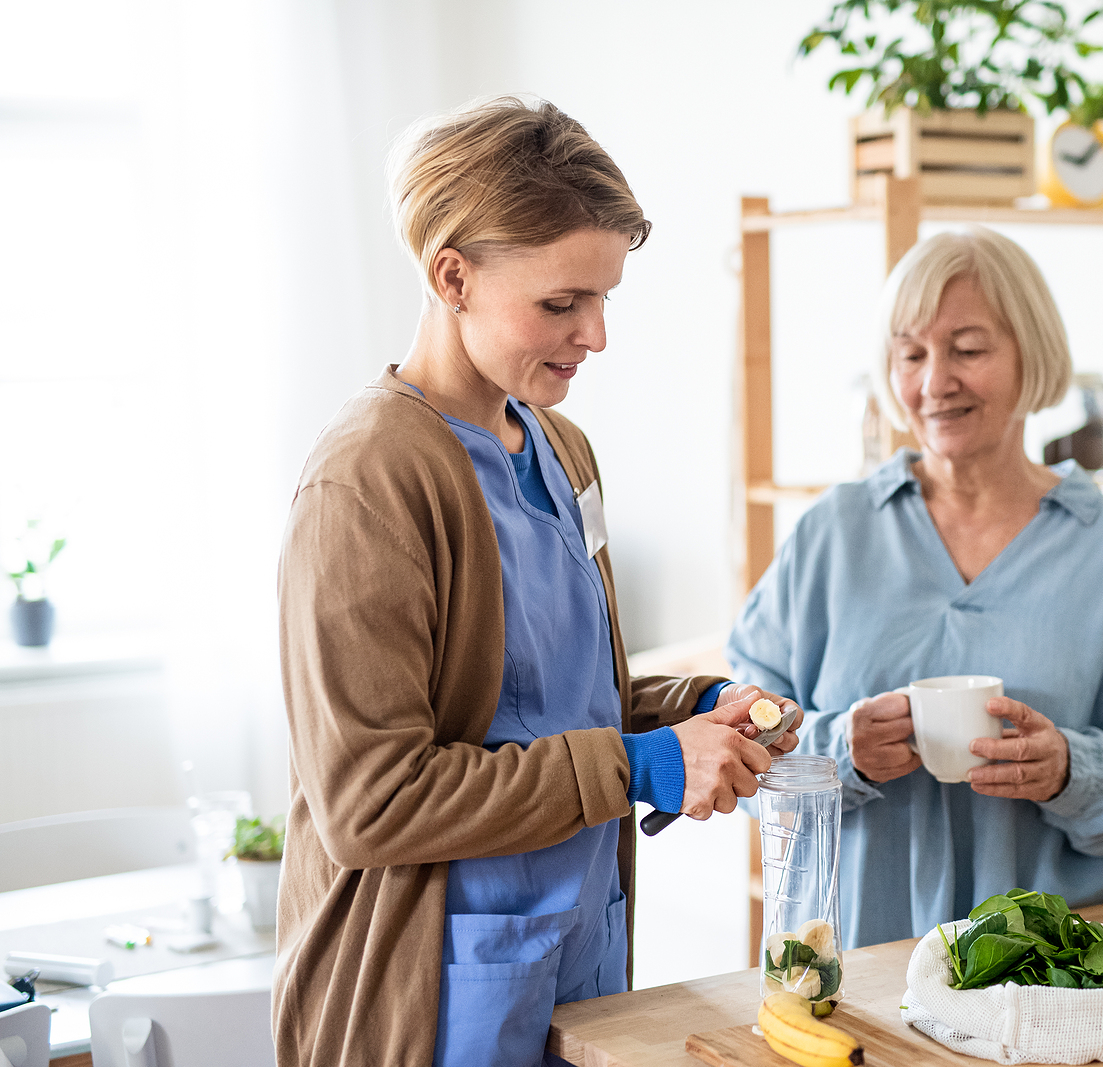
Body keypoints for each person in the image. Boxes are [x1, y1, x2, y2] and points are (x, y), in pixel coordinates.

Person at [275, 97, 801, 1067]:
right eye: (561, 303)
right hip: (438, 980)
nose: (594, 334)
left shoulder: (562, 447)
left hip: (579, 946)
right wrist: (638, 765)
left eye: (604, 298)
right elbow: (371, 802)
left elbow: (548, 701)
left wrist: (701, 707)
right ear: (452, 275)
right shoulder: (368, 479)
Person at [726, 226, 1103, 949]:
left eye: (967, 349)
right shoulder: (833, 533)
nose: (934, 382)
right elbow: (740, 734)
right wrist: (840, 751)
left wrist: (1071, 771)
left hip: (1060, 975)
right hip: (861, 966)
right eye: (911, 353)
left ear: (1032, 355)